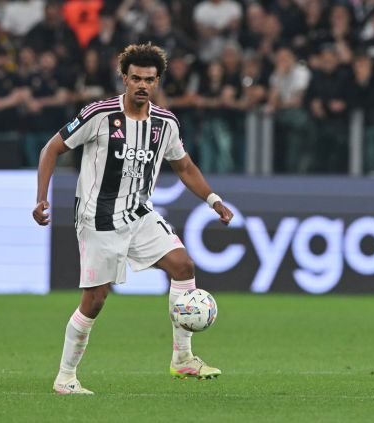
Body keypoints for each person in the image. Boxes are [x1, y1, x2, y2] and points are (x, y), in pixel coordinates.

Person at [32, 43, 234, 395]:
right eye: (136, 78)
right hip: (99, 218)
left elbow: (184, 166)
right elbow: (51, 148)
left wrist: (213, 200)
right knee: (95, 300)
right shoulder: (99, 114)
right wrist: (41, 198)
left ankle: (182, 358)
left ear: (157, 82)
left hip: (139, 213)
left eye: (149, 80)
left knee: (183, 265)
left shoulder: (165, 123)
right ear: (124, 78)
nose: (142, 85)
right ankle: (65, 377)